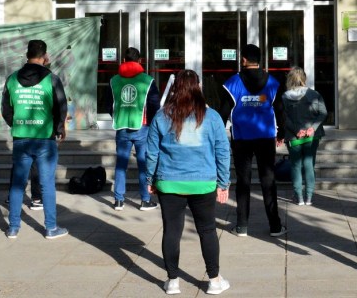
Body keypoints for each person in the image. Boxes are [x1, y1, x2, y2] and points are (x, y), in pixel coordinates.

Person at [146, 70, 231, 295]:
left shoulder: (161, 116)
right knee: (208, 230)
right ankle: (214, 280)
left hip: (169, 182)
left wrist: (150, 179)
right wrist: (223, 183)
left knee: (171, 231)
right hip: (203, 183)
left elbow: (151, 152)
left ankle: (172, 281)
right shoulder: (211, 116)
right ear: (198, 87)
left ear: (175, 89)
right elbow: (223, 152)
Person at [1, 39, 69, 240]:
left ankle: (13, 228)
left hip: (21, 138)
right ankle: (51, 228)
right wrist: (59, 128)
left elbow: (5, 109)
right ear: (44, 56)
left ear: (27, 55)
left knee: (18, 184)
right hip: (45, 139)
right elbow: (61, 106)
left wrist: (17, 124)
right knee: (47, 184)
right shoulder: (52, 79)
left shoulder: (12, 79)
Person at [218, 43, 285, 237]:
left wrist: (217, 136)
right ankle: (275, 226)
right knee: (268, 180)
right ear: (260, 59)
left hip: (241, 138)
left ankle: (242, 226)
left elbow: (223, 113)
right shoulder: (273, 82)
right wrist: (281, 134)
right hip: (265, 137)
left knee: (243, 181)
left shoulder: (232, 83)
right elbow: (280, 111)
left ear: (244, 60)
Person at [108, 46, 161, 211]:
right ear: (140, 61)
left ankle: (118, 201)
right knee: (143, 165)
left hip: (121, 127)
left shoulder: (114, 80)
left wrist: (117, 117)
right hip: (142, 127)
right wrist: (150, 123)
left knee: (121, 165)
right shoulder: (147, 80)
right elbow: (154, 104)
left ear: (124, 60)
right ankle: (145, 200)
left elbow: (109, 105)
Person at [281, 66, 328, 206]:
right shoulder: (314, 94)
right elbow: (323, 113)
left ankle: (299, 197)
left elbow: (284, 118)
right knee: (309, 164)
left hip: (293, 137)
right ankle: (309, 197)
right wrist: (312, 128)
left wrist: (296, 131)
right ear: (304, 78)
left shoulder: (285, 97)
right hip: (312, 136)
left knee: (295, 165)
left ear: (290, 79)